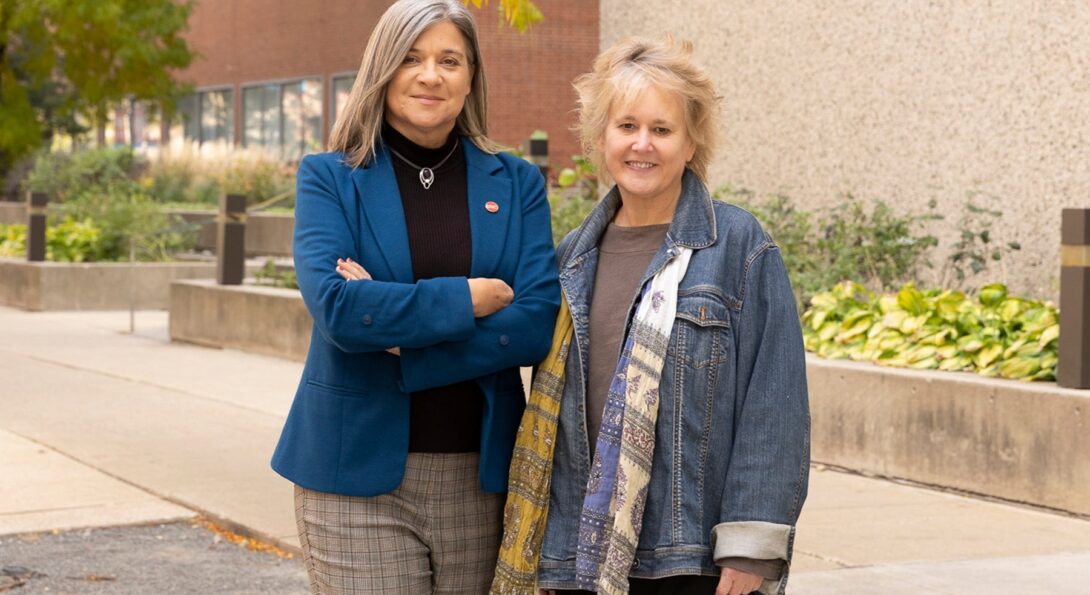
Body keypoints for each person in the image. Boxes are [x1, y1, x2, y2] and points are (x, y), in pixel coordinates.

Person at [492, 37, 810, 595]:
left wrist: (751, 549)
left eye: (662, 130)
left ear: (691, 143)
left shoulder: (738, 247)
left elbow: (774, 407)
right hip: (578, 559)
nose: (643, 144)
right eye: (626, 126)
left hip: (692, 560)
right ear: (600, 138)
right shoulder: (570, 259)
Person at [270, 1, 560, 592]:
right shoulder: (330, 176)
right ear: (383, 68)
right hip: (352, 474)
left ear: (471, 76)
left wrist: (411, 344)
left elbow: (535, 324)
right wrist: (468, 297)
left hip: (480, 476)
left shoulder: (519, 182)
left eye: (449, 60)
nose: (431, 75)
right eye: (411, 58)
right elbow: (341, 312)